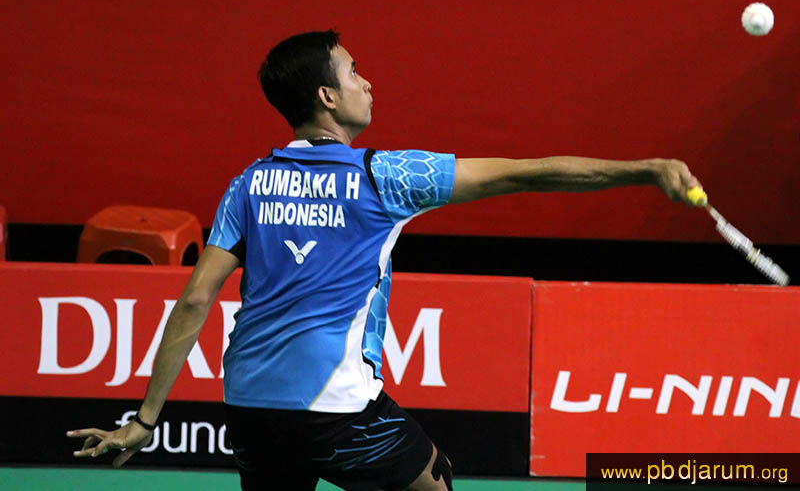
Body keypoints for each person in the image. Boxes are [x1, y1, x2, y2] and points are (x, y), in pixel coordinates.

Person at [68, 30, 702, 490]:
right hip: (336, 406)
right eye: (353, 72)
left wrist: (145, 419)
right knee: (434, 480)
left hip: (250, 405)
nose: (366, 82)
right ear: (327, 96)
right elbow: (524, 174)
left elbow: (195, 299)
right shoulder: (385, 177)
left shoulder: (249, 183)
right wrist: (644, 170)